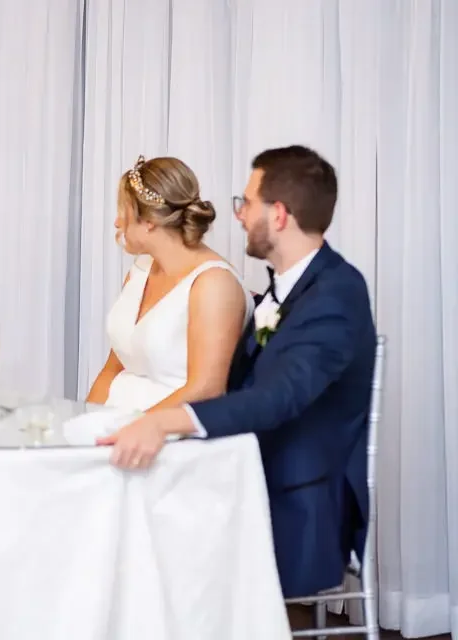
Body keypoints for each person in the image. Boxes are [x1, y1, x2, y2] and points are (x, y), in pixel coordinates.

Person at [99, 145, 376, 598]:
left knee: (125, 516)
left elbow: (278, 396)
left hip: (292, 495)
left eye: (246, 203)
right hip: (239, 462)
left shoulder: (337, 294)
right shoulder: (287, 289)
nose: (238, 215)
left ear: (279, 215)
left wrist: (158, 421)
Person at [86, 155, 253, 413]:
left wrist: (129, 431)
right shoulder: (140, 271)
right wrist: (80, 426)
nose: (117, 223)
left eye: (124, 212)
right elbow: (112, 370)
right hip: (112, 428)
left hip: (169, 436)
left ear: (150, 220)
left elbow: (207, 389)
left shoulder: (214, 284)